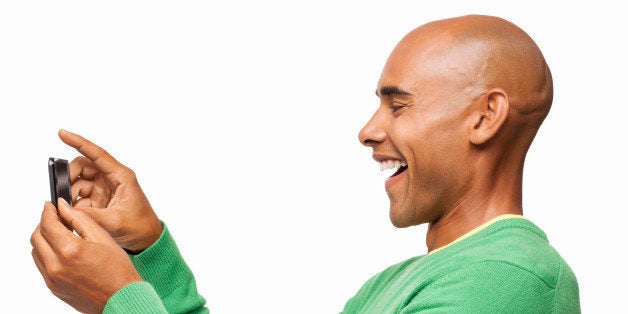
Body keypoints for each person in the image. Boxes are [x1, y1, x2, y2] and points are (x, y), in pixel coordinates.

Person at [30, 14, 580, 313]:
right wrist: (147, 255)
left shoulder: (506, 280)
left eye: (398, 104)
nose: (369, 130)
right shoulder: (399, 285)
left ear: (485, 118)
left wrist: (120, 301)